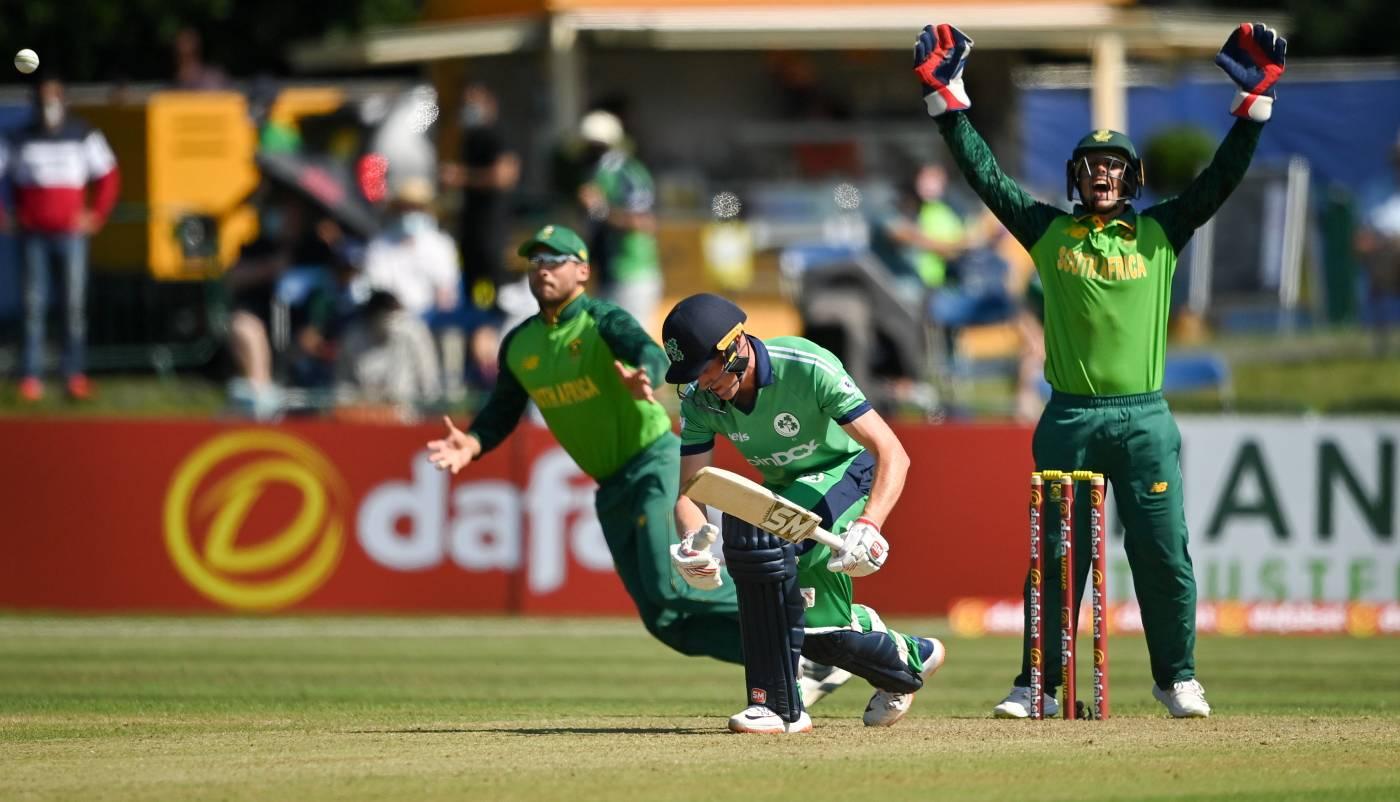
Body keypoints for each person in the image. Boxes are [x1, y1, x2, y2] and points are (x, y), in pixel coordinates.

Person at [913, 21, 1287, 718]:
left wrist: (1254, 108)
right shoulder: (1047, 231)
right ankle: (1039, 685)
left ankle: (1177, 677)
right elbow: (986, 176)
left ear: (1131, 177)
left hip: (1145, 420)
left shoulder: (1164, 229)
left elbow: (1221, 179)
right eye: (1091, 166)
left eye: (1114, 166)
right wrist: (947, 103)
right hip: (1070, 420)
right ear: (1076, 178)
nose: (1102, 174)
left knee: (1163, 556)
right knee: (1057, 562)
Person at [423, 226, 750, 664]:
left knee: (673, 585)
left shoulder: (602, 319)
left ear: (582, 271)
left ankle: (796, 611)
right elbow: (503, 409)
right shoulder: (520, 344)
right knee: (666, 621)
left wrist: (646, 375)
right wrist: (474, 441)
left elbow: (649, 353)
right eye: (536, 261)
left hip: (653, 462)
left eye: (555, 261)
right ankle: (794, 661)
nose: (543, 270)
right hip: (611, 485)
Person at [664, 292, 946, 734]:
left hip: (850, 470)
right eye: (692, 374)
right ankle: (907, 657)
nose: (702, 383)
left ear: (734, 346)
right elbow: (691, 492)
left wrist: (870, 525)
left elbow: (892, 452)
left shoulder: (805, 365)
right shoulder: (701, 402)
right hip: (788, 491)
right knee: (823, 636)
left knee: (759, 541)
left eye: (706, 368)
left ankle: (778, 706)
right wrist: (690, 541)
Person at [0, 76, 119, 402]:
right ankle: (30, 376)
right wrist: (4, 216)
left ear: (64, 100)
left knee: (73, 306)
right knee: (33, 306)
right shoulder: (18, 137)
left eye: (54, 97)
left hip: (71, 234)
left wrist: (97, 214)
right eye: (43, 98)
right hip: (33, 234)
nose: (48, 105)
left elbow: (109, 175)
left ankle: (73, 374)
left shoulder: (82, 133)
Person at [576, 110, 663, 330]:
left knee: (630, 344)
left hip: (631, 272)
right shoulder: (597, 173)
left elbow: (644, 222)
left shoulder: (626, 173)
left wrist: (599, 209)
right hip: (608, 272)